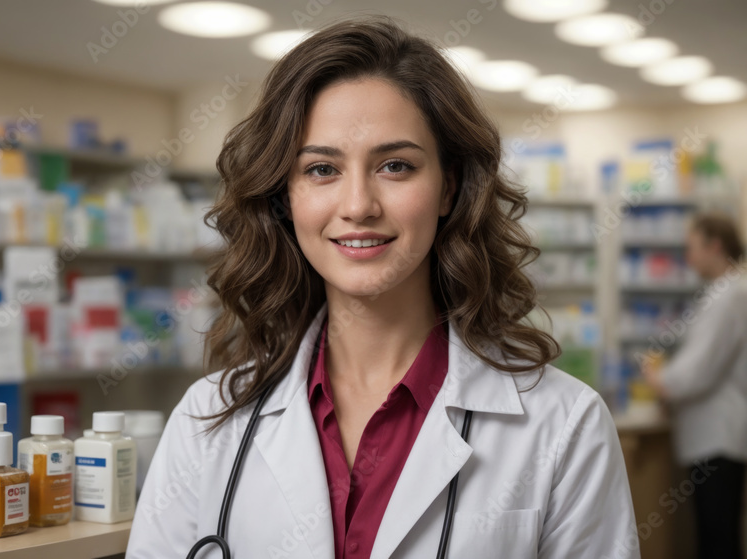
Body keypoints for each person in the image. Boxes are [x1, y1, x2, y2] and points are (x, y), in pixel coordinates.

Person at [127, 16, 638, 559]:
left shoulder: (563, 425)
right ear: (286, 196)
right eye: (322, 169)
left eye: (395, 166)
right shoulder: (208, 420)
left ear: (450, 188)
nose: (357, 206)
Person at [643, 212, 747, 559]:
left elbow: (701, 367)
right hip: (714, 436)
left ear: (714, 246)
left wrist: (659, 381)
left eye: (692, 247)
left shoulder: (731, 295)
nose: (688, 257)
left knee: (718, 538)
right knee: (714, 533)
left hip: (719, 437)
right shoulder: (724, 292)